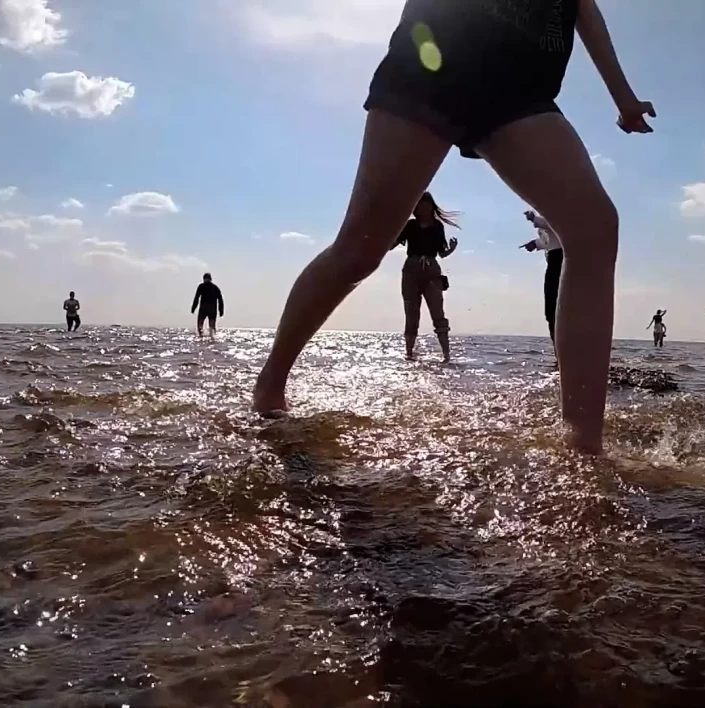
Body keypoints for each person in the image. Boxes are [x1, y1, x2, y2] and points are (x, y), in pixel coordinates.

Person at [250, 0, 653, 455]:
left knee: (595, 228)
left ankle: (583, 447)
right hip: (435, 54)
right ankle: (270, 386)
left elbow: (583, 8)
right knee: (359, 253)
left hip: (518, 88)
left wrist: (623, 96)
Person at [394, 192, 458, 361]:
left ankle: (446, 355)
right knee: (411, 313)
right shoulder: (410, 225)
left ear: (431, 206)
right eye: (418, 204)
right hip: (411, 268)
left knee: (438, 311)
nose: (422, 207)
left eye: (425, 204)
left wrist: (451, 249)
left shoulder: (437, 226)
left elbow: (442, 253)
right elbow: (392, 244)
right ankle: (409, 352)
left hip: (431, 269)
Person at [519, 209, 563, 342]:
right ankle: (559, 350)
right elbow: (551, 238)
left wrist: (535, 219)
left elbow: (555, 225)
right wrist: (536, 243)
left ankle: (563, 349)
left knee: (555, 306)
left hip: (560, 260)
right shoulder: (546, 219)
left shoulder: (555, 214)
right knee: (552, 309)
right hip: (554, 259)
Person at [191, 273, 225, 340]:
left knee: (206, 326)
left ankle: (206, 337)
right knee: (206, 326)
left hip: (206, 309)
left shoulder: (205, 287)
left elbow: (220, 299)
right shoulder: (213, 287)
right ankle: (209, 338)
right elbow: (196, 298)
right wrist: (221, 311)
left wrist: (221, 310)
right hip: (208, 309)